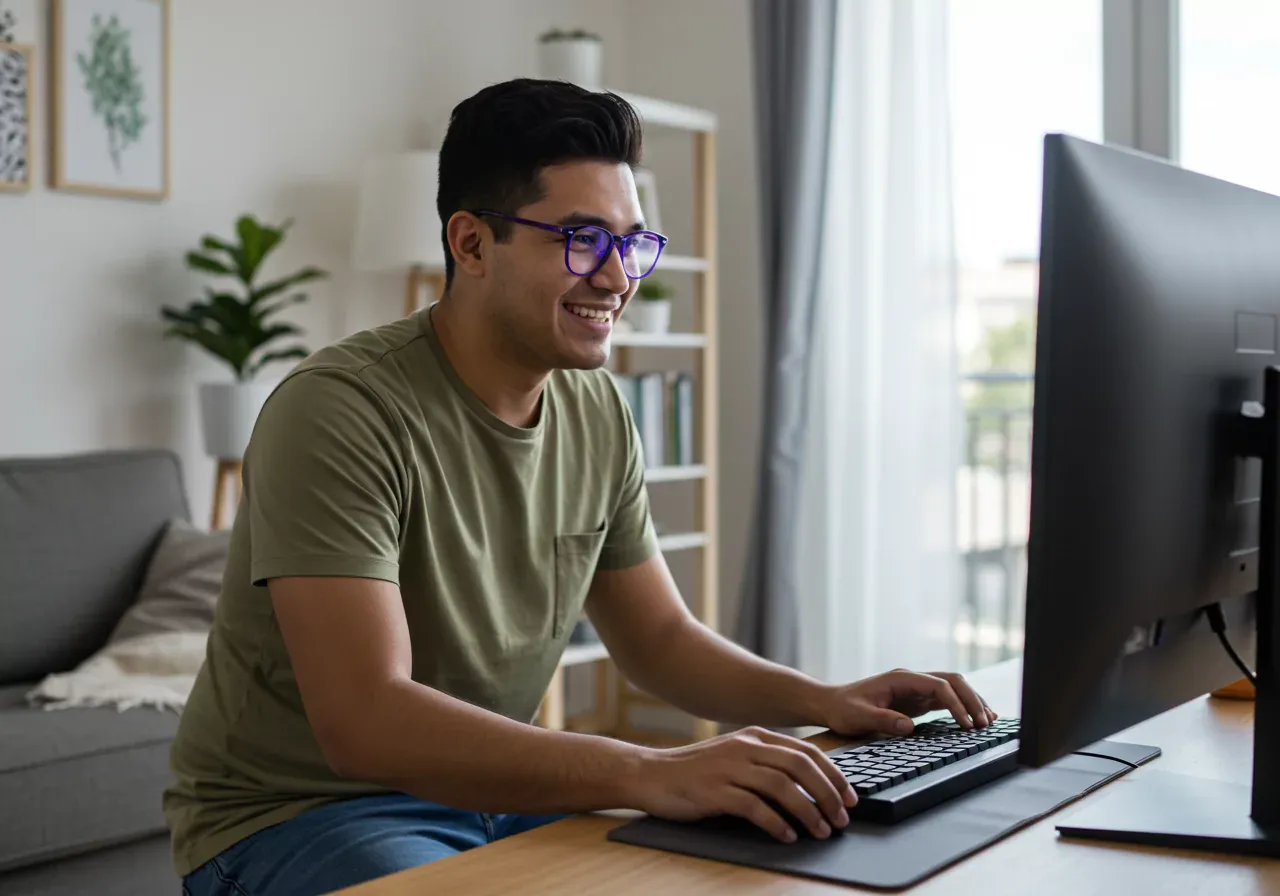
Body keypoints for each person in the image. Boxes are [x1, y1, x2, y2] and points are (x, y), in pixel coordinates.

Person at [166, 78, 996, 896]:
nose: (617, 277)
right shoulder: (340, 411)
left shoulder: (596, 406)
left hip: (495, 797)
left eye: (631, 242)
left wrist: (827, 699)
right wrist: (654, 770)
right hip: (301, 816)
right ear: (472, 245)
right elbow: (365, 721)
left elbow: (661, 640)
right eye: (581, 239)